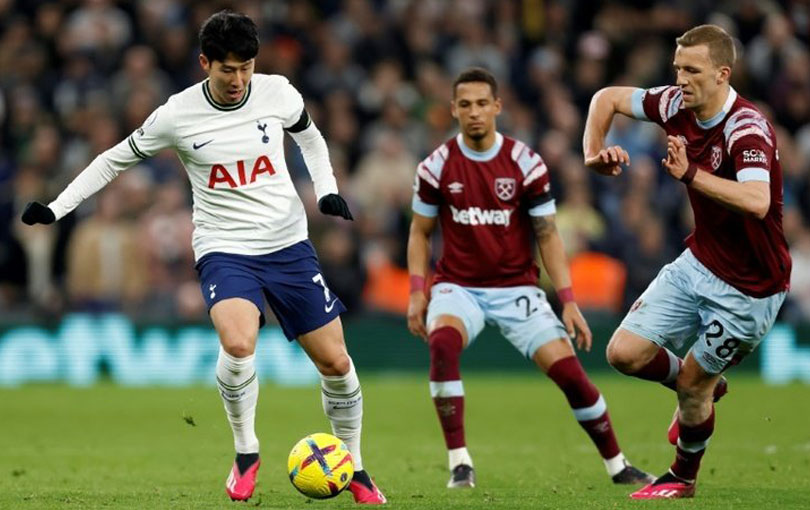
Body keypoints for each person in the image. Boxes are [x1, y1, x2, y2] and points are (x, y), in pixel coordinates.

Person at [21, 11, 386, 505]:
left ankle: (356, 467)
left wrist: (326, 190)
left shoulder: (278, 93)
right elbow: (112, 160)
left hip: (288, 245)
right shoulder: (177, 114)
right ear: (204, 63)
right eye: (227, 69)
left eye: (246, 68)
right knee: (238, 342)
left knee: (337, 362)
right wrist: (56, 207)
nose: (238, 80)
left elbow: (311, 139)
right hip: (224, 247)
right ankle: (246, 451)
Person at [406, 67, 653, 489]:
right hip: (458, 287)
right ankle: (460, 463)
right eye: (465, 105)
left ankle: (618, 465)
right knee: (442, 345)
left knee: (571, 376)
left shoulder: (525, 163)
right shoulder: (436, 166)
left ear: (497, 107)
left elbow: (548, 233)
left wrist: (568, 300)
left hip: (517, 288)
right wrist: (417, 291)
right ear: (453, 110)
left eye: (482, 103)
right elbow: (420, 232)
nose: (474, 112)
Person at [582, 24, 791, 499]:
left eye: (692, 70)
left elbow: (757, 201)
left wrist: (691, 174)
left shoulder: (746, 128)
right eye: (677, 68)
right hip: (700, 262)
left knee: (692, 386)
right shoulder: (675, 103)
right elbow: (606, 97)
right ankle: (703, 385)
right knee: (623, 354)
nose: (680, 79)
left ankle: (683, 477)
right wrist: (592, 152)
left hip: (751, 288)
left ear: (722, 74)